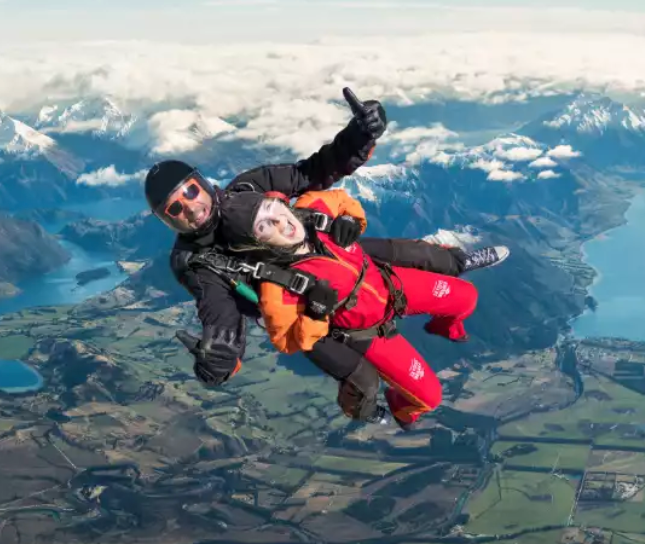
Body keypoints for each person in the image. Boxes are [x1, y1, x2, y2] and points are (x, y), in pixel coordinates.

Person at [144, 88, 507, 397]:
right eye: (175, 208)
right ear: (167, 220)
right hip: (303, 307)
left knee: (413, 253)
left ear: (202, 183)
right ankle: (372, 408)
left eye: (190, 191)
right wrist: (220, 358)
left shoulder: (247, 186)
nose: (190, 206)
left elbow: (311, 173)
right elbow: (218, 309)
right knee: (360, 380)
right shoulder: (197, 261)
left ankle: (459, 262)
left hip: (325, 253)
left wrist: (360, 135)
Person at [218, 188, 483, 427]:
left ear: (279, 202)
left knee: (467, 297)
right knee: (429, 398)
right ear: (255, 244)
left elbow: (341, 199)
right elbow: (287, 341)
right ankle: (401, 411)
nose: (277, 221)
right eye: (262, 226)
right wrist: (315, 314)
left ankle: (446, 327)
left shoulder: (313, 212)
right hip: (366, 334)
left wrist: (350, 219)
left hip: (390, 286)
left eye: (270, 208)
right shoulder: (276, 286)